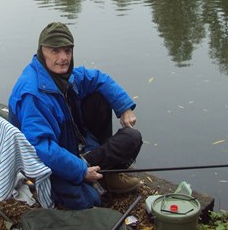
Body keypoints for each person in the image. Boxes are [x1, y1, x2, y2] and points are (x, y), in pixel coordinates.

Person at [8, 22, 143, 210]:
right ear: (42, 51)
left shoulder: (61, 75)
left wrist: (124, 107)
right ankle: (96, 169)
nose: (63, 58)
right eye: (55, 51)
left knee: (98, 95)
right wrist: (80, 170)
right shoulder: (34, 94)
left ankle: (106, 171)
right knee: (92, 199)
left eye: (67, 51)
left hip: (69, 141)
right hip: (50, 160)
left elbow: (98, 78)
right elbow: (39, 147)